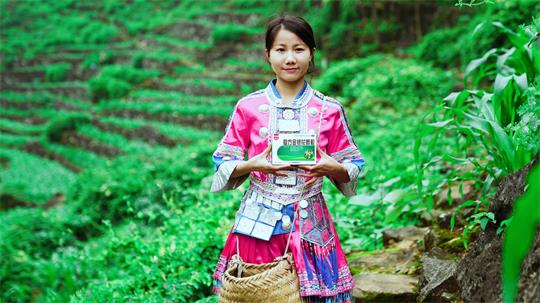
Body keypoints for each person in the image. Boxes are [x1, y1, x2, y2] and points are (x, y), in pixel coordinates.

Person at [210, 15, 365, 303]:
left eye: (299, 49)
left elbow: (353, 166)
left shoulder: (328, 109)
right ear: (268, 54)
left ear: (312, 53)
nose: (290, 58)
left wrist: (332, 168)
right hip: (258, 223)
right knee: (259, 294)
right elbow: (222, 162)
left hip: (312, 225)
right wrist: (255, 164)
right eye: (281, 50)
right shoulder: (248, 106)